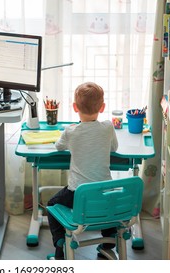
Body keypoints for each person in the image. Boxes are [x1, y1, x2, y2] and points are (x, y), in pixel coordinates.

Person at [47, 82, 118, 259]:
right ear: (102, 108)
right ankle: (109, 241)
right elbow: (114, 148)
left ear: (74, 107)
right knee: (109, 204)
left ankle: (59, 241)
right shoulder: (108, 127)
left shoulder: (71, 131)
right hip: (104, 196)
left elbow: (58, 147)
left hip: (77, 195)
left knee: (51, 204)